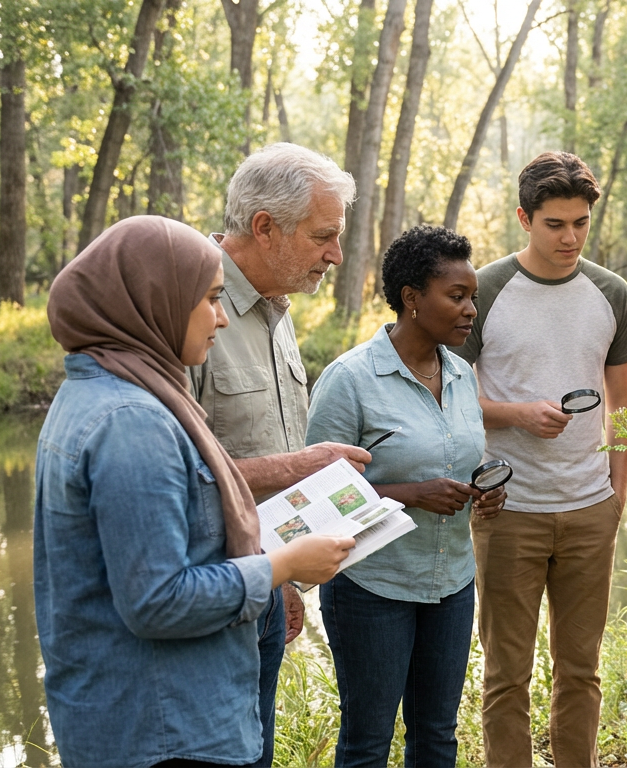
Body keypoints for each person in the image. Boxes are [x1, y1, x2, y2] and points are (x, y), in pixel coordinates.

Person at [34, 215, 355, 768]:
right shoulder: (131, 421)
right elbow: (157, 601)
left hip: (151, 717)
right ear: (154, 301)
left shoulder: (106, 392)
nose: (223, 318)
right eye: (209, 299)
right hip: (162, 729)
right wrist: (281, 566)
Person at [452, 151, 627, 767]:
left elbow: (621, 401)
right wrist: (516, 414)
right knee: (507, 673)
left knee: (581, 670)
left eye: (581, 223)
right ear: (524, 218)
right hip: (508, 508)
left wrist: (617, 492)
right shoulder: (483, 290)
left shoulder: (611, 292)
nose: (570, 237)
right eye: (555, 223)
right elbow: (447, 401)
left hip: (590, 508)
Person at [186, 142, 372, 766]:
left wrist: (287, 574)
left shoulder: (278, 307)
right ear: (265, 228)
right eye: (324, 236)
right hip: (205, 596)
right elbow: (173, 475)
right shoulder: (187, 307)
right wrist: (302, 466)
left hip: (267, 587)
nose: (336, 255)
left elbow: (266, 447)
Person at [305, 225, 507, 767]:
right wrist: (410, 494)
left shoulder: (462, 373)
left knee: (437, 736)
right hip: (372, 587)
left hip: (452, 582)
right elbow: (314, 496)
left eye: (473, 298)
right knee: (368, 743)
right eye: (456, 296)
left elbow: (461, 455)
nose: (470, 310)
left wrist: (483, 488)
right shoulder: (349, 379)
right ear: (412, 299)